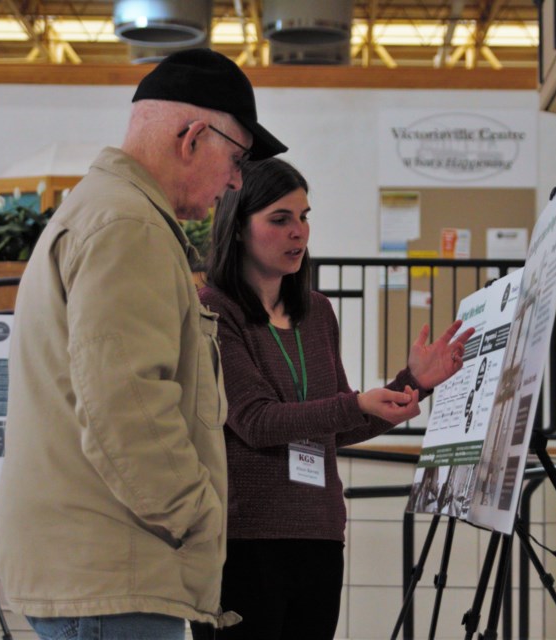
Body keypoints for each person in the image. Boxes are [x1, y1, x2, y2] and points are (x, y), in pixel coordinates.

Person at [0, 49, 287, 640]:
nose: (235, 182)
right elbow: (128, 406)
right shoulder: (129, 226)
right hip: (112, 571)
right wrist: (199, 517)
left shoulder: (104, 211)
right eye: (236, 159)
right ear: (191, 138)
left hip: (96, 565)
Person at [194, 158, 473, 640]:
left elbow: (336, 424)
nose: (298, 232)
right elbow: (255, 421)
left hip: (320, 535)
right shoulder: (214, 309)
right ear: (238, 228)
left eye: (304, 217)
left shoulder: (318, 313)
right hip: (244, 540)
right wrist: (358, 403)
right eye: (280, 219)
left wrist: (416, 382)